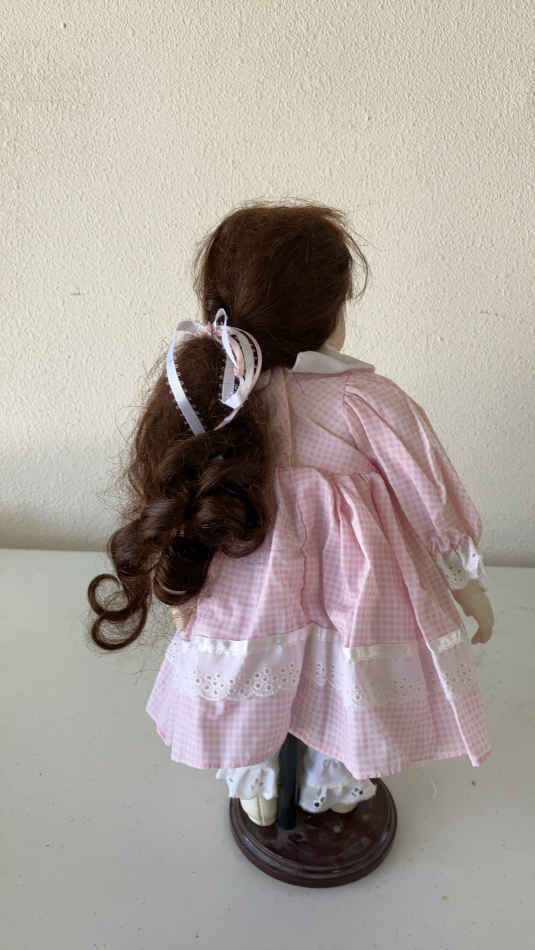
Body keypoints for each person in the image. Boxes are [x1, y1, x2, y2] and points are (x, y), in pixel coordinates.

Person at [87, 201, 494, 828]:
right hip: (353, 599)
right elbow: (430, 496)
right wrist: (466, 587)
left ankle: (265, 779)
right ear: (331, 314)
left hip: (254, 595)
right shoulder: (366, 401)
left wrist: (182, 590)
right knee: (343, 688)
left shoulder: (221, 402)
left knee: (259, 680)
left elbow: (177, 495)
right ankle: (321, 777)